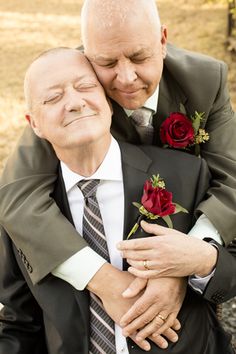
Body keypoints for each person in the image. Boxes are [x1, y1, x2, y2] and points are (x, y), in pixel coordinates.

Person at [0, 0, 236, 344]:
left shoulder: (205, 80)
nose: (125, 78)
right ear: (88, 55)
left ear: (162, 40)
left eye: (139, 58)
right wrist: (103, 279)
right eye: (107, 63)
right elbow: (16, 197)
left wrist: (184, 261)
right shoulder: (74, 86)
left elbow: (231, 178)